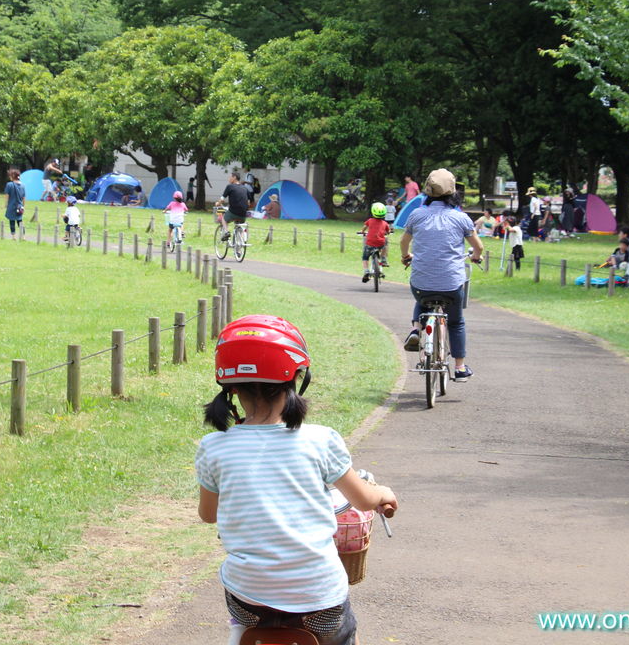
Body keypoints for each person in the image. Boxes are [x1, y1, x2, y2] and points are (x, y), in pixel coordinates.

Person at [196, 315, 398, 645]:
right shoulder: (320, 440)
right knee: (343, 633)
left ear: (230, 387)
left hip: (248, 601)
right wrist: (382, 493)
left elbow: (208, 514)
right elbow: (363, 499)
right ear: (295, 379)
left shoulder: (214, 447)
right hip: (319, 601)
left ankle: (241, 636)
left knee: (242, 612)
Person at [399, 169, 483, 382]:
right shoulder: (461, 218)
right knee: (456, 322)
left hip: (421, 283)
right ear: (453, 192)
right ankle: (460, 367)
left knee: (422, 295)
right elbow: (478, 247)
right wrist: (475, 256)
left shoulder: (417, 214)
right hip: (451, 284)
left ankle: (416, 329)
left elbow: (403, 242)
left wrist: (406, 256)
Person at [359, 202, 391, 281]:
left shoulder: (370, 221)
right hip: (380, 243)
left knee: (365, 257)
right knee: (385, 244)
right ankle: (383, 259)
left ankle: (366, 271)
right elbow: (388, 231)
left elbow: (364, 228)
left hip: (370, 243)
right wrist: (387, 232)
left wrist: (362, 231)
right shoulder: (385, 223)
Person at [216, 172, 250, 241]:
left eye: (230, 177)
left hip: (233, 212)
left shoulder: (230, 186)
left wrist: (218, 203)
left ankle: (226, 232)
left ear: (234, 177)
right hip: (243, 214)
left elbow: (222, 199)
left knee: (224, 219)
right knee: (241, 227)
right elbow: (248, 202)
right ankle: (240, 249)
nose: (229, 179)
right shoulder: (245, 188)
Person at [4, 169, 25, 235]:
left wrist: (6, 204)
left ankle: (13, 236)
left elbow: (7, 196)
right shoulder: (23, 185)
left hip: (11, 205)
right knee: (20, 221)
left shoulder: (9, 185)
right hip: (20, 206)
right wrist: (23, 206)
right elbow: (24, 197)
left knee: (12, 221)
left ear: (13, 176)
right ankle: (23, 236)